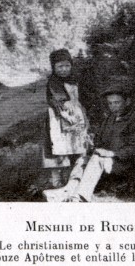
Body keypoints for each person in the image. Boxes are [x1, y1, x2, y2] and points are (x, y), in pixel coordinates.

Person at [67, 81, 135, 202]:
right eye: (110, 103)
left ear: (127, 102)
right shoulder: (109, 119)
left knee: (97, 159)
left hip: (125, 164)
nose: (113, 107)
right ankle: (69, 190)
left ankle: (80, 196)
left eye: (117, 103)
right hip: (107, 162)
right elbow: (100, 142)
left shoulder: (134, 119)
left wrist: (112, 154)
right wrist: (91, 144)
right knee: (82, 160)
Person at [42, 48, 91, 202]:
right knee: (58, 149)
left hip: (77, 116)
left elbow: (83, 96)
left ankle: (75, 178)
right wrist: (65, 107)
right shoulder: (53, 82)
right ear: (54, 68)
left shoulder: (76, 78)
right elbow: (57, 99)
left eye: (67, 66)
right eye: (60, 67)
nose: (64, 69)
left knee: (79, 147)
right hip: (58, 117)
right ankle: (57, 180)